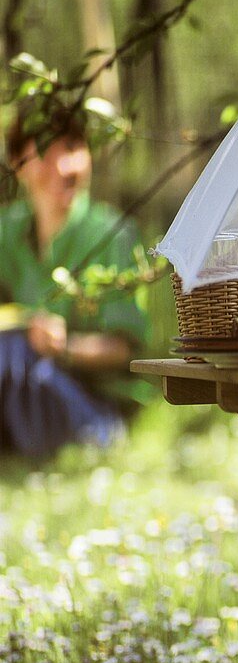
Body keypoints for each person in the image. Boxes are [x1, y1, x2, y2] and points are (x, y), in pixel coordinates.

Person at [0, 104, 148, 458]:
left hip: (94, 411)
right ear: (18, 163)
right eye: (45, 152)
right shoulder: (8, 230)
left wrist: (63, 347)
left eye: (71, 148)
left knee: (16, 352)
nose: (63, 168)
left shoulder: (113, 234)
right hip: (22, 392)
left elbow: (124, 348)